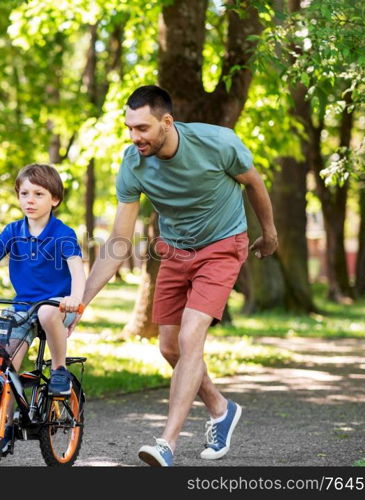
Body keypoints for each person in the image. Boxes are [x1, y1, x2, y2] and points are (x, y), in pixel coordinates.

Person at [72, 85, 278, 466]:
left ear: (167, 122)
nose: (135, 137)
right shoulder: (132, 163)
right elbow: (119, 241)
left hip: (222, 245)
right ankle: (220, 407)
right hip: (175, 249)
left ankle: (166, 443)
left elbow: (254, 182)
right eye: (130, 128)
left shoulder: (218, 143)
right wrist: (80, 301)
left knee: (190, 335)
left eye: (143, 128)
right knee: (169, 348)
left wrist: (269, 232)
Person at [0, 162, 85, 396]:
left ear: (54, 200)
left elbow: (77, 269)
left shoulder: (63, 234)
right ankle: (6, 423)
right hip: (23, 305)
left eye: (38, 194)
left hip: (59, 305)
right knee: (6, 367)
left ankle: (59, 368)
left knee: (46, 312)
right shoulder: (13, 231)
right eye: (24, 193)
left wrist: (75, 298)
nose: (29, 200)